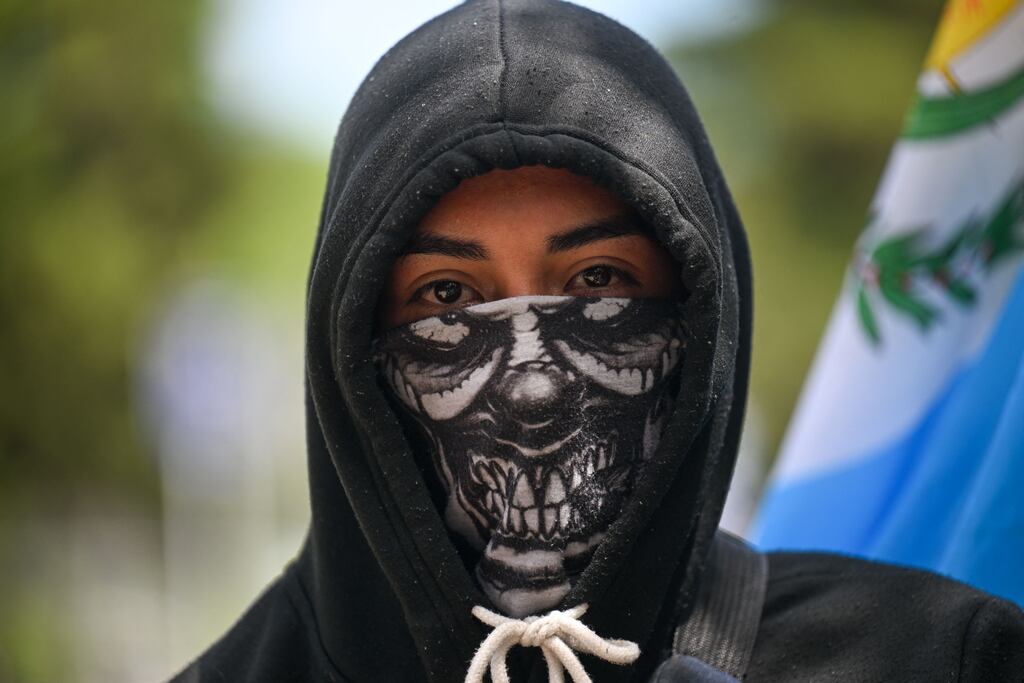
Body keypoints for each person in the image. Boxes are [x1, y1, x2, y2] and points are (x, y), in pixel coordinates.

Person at [171, 1, 1024, 681]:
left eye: (599, 283)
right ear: (350, 347)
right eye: (447, 296)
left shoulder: (934, 656)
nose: (535, 389)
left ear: (700, 315)